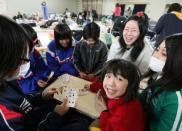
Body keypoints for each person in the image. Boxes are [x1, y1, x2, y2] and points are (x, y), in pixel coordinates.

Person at [0, 14, 92, 131]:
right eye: (22, 59)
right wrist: (56, 116)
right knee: (80, 123)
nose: (26, 62)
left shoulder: (8, 81)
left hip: (36, 114)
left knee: (78, 114)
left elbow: (24, 102)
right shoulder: (5, 117)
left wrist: (42, 96)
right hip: (41, 123)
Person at [140, 33, 182, 131]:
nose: (155, 56)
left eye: (164, 54)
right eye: (157, 49)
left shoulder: (176, 101)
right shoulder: (158, 77)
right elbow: (140, 102)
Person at [89, 59, 146, 131]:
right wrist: (91, 86)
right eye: (108, 76)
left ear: (131, 85)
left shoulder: (124, 114)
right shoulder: (122, 93)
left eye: (119, 79)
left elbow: (108, 128)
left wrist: (104, 110)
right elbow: (104, 87)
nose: (110, 83)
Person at [18, 23, 51, 94]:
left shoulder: (34, 52)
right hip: (25, 91)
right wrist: (34, 83)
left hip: (34, 85)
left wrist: (37, 80)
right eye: (32, 45)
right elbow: (16, 87)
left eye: (36, 42)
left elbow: (42, 69)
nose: (34, 47)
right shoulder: (10, 60)